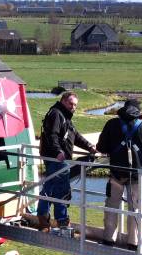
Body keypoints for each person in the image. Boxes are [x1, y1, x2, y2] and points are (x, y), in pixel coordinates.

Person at [95, 98, 142, 247]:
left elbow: (101, 147)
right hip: (136, 175)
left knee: (112, 206)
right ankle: (133, 242)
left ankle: (109, 239)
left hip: (116, 174)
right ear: (138, 111)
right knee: (135, 209)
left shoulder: (111, 124)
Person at [29, 91, 95, 230]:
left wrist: (89, 146)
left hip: (57, 159)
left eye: (75, 105)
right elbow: (52, 135)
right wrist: (58, 151)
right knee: (62, 190)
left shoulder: (63, 115)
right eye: (71, 103)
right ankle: (62, 221)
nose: (73, 107)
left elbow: (74, 135)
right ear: (63, 100)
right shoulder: (56, 114)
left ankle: (43, 219)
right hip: (57, 159)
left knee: (49, 188)